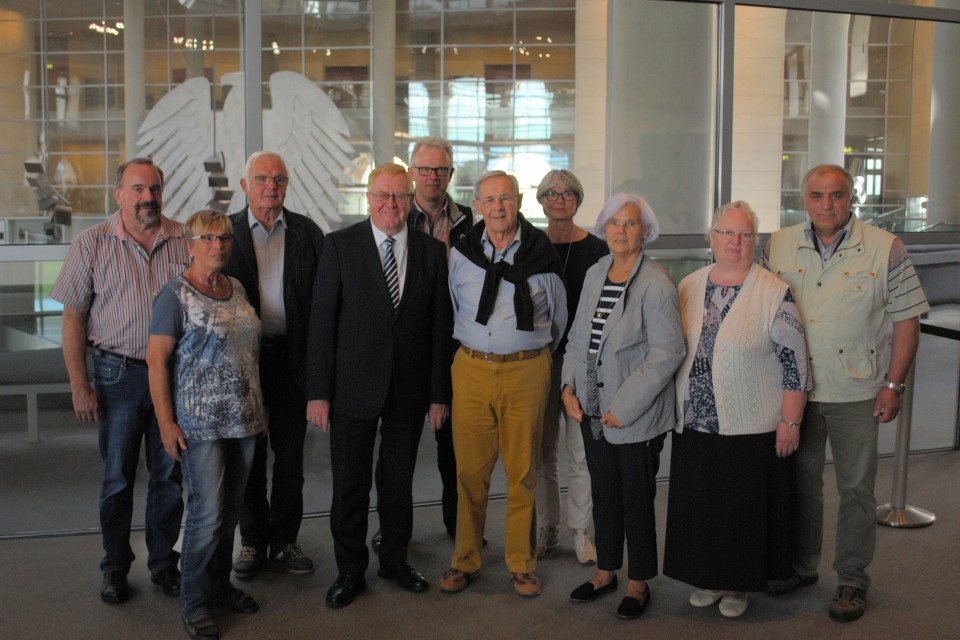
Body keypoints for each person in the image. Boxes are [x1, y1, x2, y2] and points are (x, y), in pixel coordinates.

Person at [763, 164, 929, 622]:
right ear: (805, 199)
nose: (827, 205)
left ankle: (853, 579)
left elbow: (907, 320)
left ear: (851, 197)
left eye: (836, 195)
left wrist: (893, 385)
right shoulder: (776, 245)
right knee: (801, 486)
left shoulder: (885, 247)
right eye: (817, 195)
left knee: (856, 490)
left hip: (858, 390)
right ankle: (801, 567)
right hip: (796, 393)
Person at [305, 163, 452, 609]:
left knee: (397, 484)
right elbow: (321, 324)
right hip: (352, 388)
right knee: (350, 486)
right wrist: (318, 392)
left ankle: (394, 561)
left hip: (408, 390)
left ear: (411, 200)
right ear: (367, 199)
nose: (392, 204)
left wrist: (438, 394)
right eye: (383, 196)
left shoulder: (430, 251)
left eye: (400, 196)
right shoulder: (340, 246)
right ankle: (350, 571)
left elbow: (439, 328)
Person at [663, 201, 812, 618]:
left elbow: (795, 364)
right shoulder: (688, 285)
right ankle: (707, 577)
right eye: (727, 233)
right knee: (701, 504)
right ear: (711, 238)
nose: (735, 242)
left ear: (756, 242)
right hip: (695, 421)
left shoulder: (773, 292)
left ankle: (736, 586)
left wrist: (790, 421)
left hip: (752, 425)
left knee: (739, 509)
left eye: (744, 235)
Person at [50, 157, 188, 604]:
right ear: (119, 194)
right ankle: (114, 566)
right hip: (117, 375)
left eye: (154, 188)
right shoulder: (93, 242)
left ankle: (165, 563)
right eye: (137, 189)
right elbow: (73, 318)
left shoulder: (184, 239)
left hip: (172, 376)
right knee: (118, 478)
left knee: (169, 476)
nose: (147, 197)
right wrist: (79, 383)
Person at [441, 170, 567, 599]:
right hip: (472, 368)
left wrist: (528, 350)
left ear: (519, 203)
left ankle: (521, 564)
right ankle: (465, 560)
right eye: (490, 200)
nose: (498, 207)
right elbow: (456, 307)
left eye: (507, 199)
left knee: (522, 472)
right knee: (470, 473)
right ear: (477, 206)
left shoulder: (541, 253)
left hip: (527, 370)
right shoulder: (460, 253)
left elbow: (558, 318)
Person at [561, 194, 684, 620]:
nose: (619, 230)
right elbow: (578, 337)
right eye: (613, 223)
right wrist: (568, 388)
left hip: (635, 415)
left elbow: (667, 353)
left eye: (629, 224)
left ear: (644, 231)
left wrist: (624, 407)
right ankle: (606, 571)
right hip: (591, 409)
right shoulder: (597, 273)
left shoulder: (656, 284)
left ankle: (638, 581)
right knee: (604, 494)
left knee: (636, 499)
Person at [147, 210, 266, 640]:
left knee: (230, 512)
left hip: (245, 419)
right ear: (190, 244)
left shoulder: (235, 287)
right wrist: (165, 423)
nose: (218, 245)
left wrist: (260, 409)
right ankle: (194, 602)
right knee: (206, 513)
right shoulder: (174, 295)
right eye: (208, 238)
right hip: (201, 426)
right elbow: (156, 362)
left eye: (225, 238)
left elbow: (248, 352)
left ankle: (218, 587)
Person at [371, 137, 474, 551]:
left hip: (459, 345)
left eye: (441, 170)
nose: (433, 177)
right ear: (412, 173)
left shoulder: (470, 221)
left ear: (451, 174)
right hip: (409, 350)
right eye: (425, 169)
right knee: (399, 452)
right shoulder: (394, 215)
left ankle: (459, 525)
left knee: (457, 448)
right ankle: (393, 528)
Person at [225, 151, 324, 580]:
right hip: (241, 361)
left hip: (292, 361)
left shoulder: (307, 233)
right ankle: (251, 541)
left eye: (279, 179)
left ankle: (284, 539)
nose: (271, 187)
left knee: (290, 459)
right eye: (261, 179)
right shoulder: (222, 233)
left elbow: (323, 306)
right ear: (244, 185)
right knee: (248, 457)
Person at [533, 170, 607, 564]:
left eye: (567, 194)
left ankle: (582, 532)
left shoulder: (596, 249)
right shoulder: (529, 245)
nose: (559, 199)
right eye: (551, 193)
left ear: (578, 200)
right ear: (541, 200)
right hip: (539, 360)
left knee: (581, 451)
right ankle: (548, 529)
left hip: (581, 362)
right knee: (543, 451)